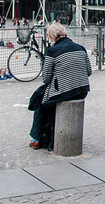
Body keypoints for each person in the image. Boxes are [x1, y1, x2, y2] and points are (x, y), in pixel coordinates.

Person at [30, 23, 92, 151]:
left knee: (40, 104)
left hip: (64, 91)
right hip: (82, 89)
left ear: (51, 36)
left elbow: (46, 78)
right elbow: (89, 71)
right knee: (49, 101)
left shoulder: (52, 51)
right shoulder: (81, 48)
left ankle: (36, 139)